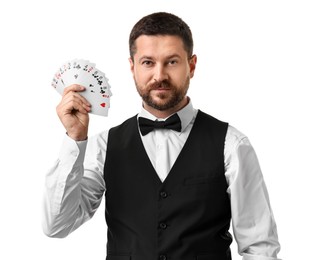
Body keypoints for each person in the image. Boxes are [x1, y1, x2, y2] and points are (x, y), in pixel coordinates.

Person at [43, 12, 281, 260]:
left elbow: (259, 248)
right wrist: (74, 139)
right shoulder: (104, 146)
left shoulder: (231, 144)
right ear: (132, 67)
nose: (159, 76)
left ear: (191, 65)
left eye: (172, 62)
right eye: (148, 62)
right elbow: (57, 225)